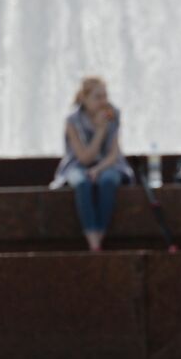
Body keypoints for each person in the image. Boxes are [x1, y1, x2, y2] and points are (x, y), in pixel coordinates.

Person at [51, 77, 136, 251]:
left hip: (107, 165)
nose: (103, 102)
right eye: (98, 97)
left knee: (108, 181)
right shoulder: (72, 121)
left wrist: (98, 169)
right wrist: (100, 131)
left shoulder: (113, 114)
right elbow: (84, 158)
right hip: (77, 165)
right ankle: (93, 240)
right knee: (82, 183)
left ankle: (101, 235)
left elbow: (114, 153)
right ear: (84, 98)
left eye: (105, 96)